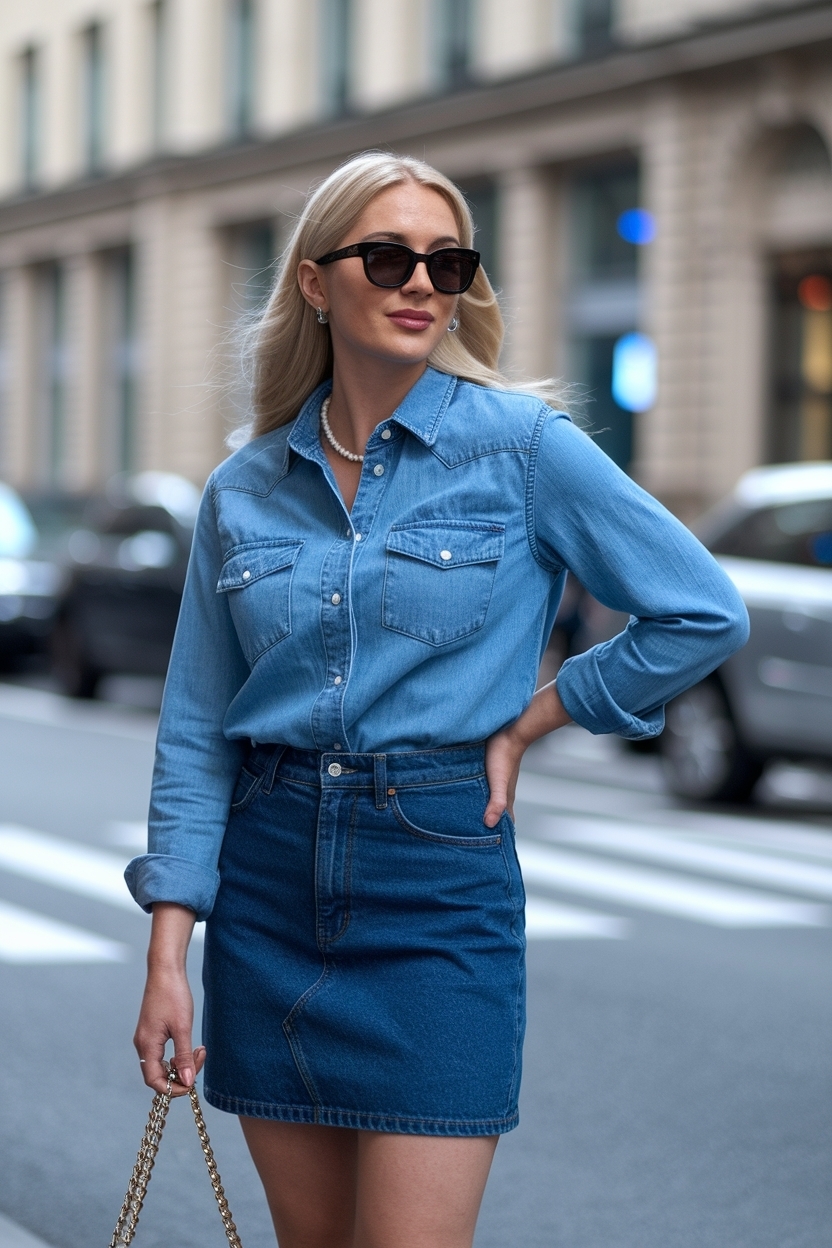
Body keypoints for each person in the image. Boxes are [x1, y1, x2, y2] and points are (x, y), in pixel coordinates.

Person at [126, 151, 748, 1248]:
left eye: (447, 262)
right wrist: (168, 954)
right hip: (267, 894)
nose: (421, 281)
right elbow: (194, 730)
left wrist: (540, 713)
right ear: (316, 282)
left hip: (437, 889)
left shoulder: (523, 450)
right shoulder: (242, 489)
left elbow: (701, 611)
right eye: (387, 257)